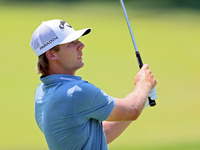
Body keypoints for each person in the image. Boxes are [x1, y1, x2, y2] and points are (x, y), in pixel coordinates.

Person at [30, 19, 157, 150]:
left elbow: (99, 135)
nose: (81, 45)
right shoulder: (76, 92)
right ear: (51, 54)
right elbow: (132, 110)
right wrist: (143, 84)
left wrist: (142, 99)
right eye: (71, 43)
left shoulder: (43, 91)